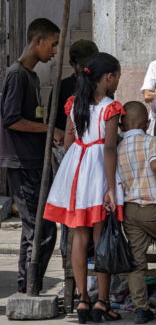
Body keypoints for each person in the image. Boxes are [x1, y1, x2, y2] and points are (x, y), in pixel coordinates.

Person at [43, 53, 125, 324]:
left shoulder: (74, 103)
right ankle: (102, 301)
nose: (117, 82)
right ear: (108, 77)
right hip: (99, 171)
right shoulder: (111, 107)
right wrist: (111, 188)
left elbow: (69, 142)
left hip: (76, 168)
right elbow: (110, 149)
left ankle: (82, 300)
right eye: (117, 77)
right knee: (101, 238)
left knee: (79, 236)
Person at [0, 18, 61, 294]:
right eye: (53, 44)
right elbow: (11, 119)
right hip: (21, 162)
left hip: (34, 161)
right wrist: (49, 129)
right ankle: (27, 288)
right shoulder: (17, 75)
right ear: (38, 40)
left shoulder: (32, 77)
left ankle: (29, 286)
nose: (55, 51)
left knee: (42, 228)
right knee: (38, 228)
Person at [117, 101, 156, 324]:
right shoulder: (152, 141)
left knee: (137, 261)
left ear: (121, 126)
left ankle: (141, 309)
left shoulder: (118, 148)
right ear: (146, 124)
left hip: (130, 210)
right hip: (153, 209)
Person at [46, 39, 98, 261]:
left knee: (87, 217)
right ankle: (71, 263)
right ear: (72, 64)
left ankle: (85, 267)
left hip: (87, 158)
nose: (87, 69)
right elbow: (55, 127)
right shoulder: (64, 89)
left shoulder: (101, 88)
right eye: (83, 65)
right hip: (70, 157)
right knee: (75, 215)